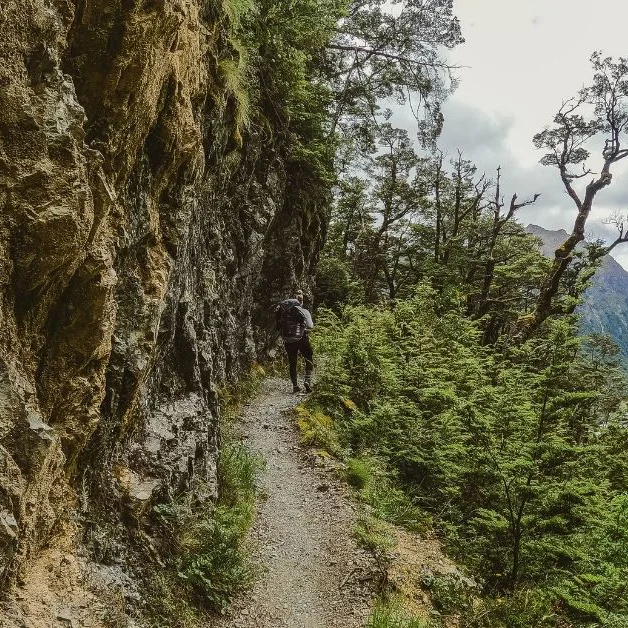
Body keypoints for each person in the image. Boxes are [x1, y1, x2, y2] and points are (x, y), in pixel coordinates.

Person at [276, 290, 314, 393]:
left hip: (288, 340)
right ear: (301, 301)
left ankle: (295, 386)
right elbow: (310, 326)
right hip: (302, 338)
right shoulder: (304, 311)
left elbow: (278, 325)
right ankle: (307, 380)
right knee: (308, 357)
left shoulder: (283, 310)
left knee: (292, 362)